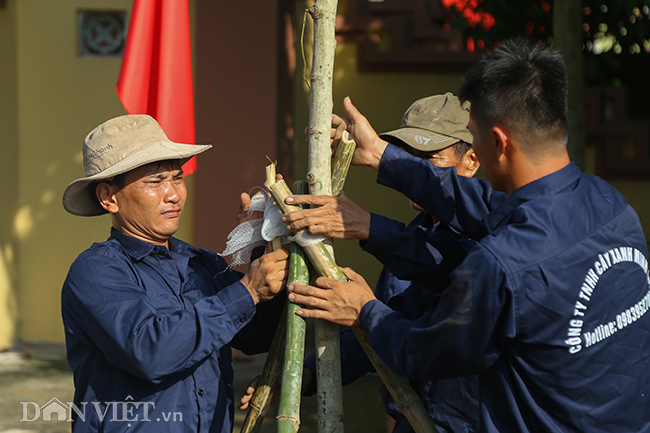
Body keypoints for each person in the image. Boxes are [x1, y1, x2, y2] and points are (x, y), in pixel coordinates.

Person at [286, 38, 650, 432]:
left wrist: (365, 310)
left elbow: (430, 349)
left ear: (496, 142)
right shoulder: (608, 204)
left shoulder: (502, 264)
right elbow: (478, 203)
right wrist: (379, 155)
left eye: (473, 135)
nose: (471, 145)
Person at [60, 114, 289, 433]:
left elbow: (256, 335)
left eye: (177, 178)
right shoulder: (95, 271)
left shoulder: (201, 264)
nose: (174, 194)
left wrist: (264, 245)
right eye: (155, 181)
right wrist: (248, 290)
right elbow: (150, 353)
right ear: (109, 197)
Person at [282, 93, 481, 432]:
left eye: (428, 160)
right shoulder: (407, 240)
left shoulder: (494, 237)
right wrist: (305, 376)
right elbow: (377, 333)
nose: (413, 171)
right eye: (407, 158)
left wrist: (367, 227)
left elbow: (446, 267)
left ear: (472, 161)